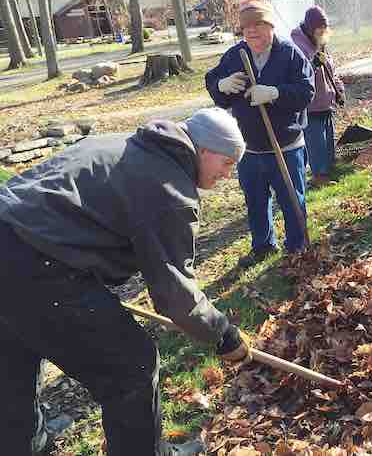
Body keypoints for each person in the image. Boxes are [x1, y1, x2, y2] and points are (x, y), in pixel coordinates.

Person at [0, 107, 252, 456]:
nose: (228, 175)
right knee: (133, 365)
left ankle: (22, 441)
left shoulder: (126, 144)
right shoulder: (169, 190)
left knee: (15, 349)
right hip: (38, 266)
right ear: (205, 151)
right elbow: (174, 294)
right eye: (227, 163)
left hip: (8, 238)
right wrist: (223, 335)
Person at [205, 0, 315, 267]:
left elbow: (306, 91)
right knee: (255, 200)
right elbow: (212, 82)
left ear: (270, 26)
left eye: (258, 24)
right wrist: (221, 85)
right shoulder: (235, 56)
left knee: (292, 199)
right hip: (250, 148)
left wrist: (275, 92)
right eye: (246, 27)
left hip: (286, 145)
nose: (252, 31)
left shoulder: (290, 54)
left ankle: (297, 246)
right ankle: (263, 245)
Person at [291, 6, 346, 187]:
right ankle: (318, 176)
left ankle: (329, 168)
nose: (323, 32)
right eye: (319, 28)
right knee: (316, 143)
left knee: (328, 139)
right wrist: (312, 64)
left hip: (327, 101)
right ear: (309, 28)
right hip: (312, 105)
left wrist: (339, 90)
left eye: (325, 28)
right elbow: (297, 74)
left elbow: (332, 71)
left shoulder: (321, 42)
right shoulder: (298, 46)